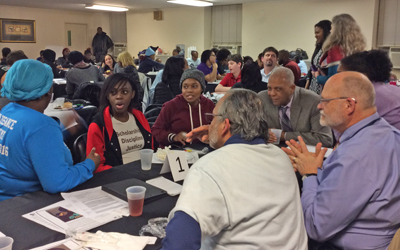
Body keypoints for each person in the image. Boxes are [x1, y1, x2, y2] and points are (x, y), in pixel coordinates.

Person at [161, 89, 307, 250]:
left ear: (225, 125)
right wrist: (216, 139)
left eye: (214, 118)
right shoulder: (281, 158)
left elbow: (180, 241)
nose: (210, 124)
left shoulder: (208, 168)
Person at [283, 71, 400, 250]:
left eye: (325, 101)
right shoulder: (388, 134)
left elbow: (316, 227)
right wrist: (315, 166)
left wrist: (309, 174)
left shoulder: (355, 155)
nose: (319, 107)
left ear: (349, 105)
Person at [0, 59, 100, 201]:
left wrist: (62, 131)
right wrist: (90, 164)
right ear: (47, 91)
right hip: (27, 205)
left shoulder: (8, 111)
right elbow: (57, 182)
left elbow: (24, 145)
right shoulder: (42, 126)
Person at [87, 73, 153, 173]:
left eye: (125, 92)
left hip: (146, 172)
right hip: (118, 178)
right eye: (113, 92)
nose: (119, 96)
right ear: (107, 96)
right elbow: (96, 166)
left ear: (133, 94)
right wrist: (125, 172)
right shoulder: (98, 126)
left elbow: (150, 149)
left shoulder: (139, 116)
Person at [258, 67, 333, 147]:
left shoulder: (313, 102)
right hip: (272, 152)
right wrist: (263, 133)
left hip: (304, 155)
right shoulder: (261, 99)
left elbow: (325, 139)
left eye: (278, 89)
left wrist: (284, 136)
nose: (272, 93)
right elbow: (248, 130)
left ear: (292, 88)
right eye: (269, 88)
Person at [152, 69, 215, 148]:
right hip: (176, 151)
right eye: (185, 87)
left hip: (203, 150)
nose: (189, 90)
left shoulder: (209, 105)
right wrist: (174, 137)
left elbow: (217, 128)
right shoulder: (171, 106)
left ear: (202, 88)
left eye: (194, 86)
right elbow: (156, 130)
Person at [338, 49, 400, 130]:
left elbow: (343, 127)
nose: (336, 79)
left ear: (362, 75)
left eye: (340, 74)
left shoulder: (369, 95)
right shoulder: (393, 90)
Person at [315, 14, 366, 87]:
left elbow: (333, 79)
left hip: (337, 90)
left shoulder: (335, 49)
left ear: (337, 30)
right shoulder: (358, 48)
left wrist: (317, 77)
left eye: (332, 28)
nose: (330, 30)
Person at [306, 20, 331, 94]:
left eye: (317, 32)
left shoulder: (331, 49)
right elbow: (312, 67)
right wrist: (306, 87)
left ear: (326, 32)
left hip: (325, 88)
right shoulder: (319, 47)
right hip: (313, 87)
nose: (315, 35)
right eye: (315, 33)